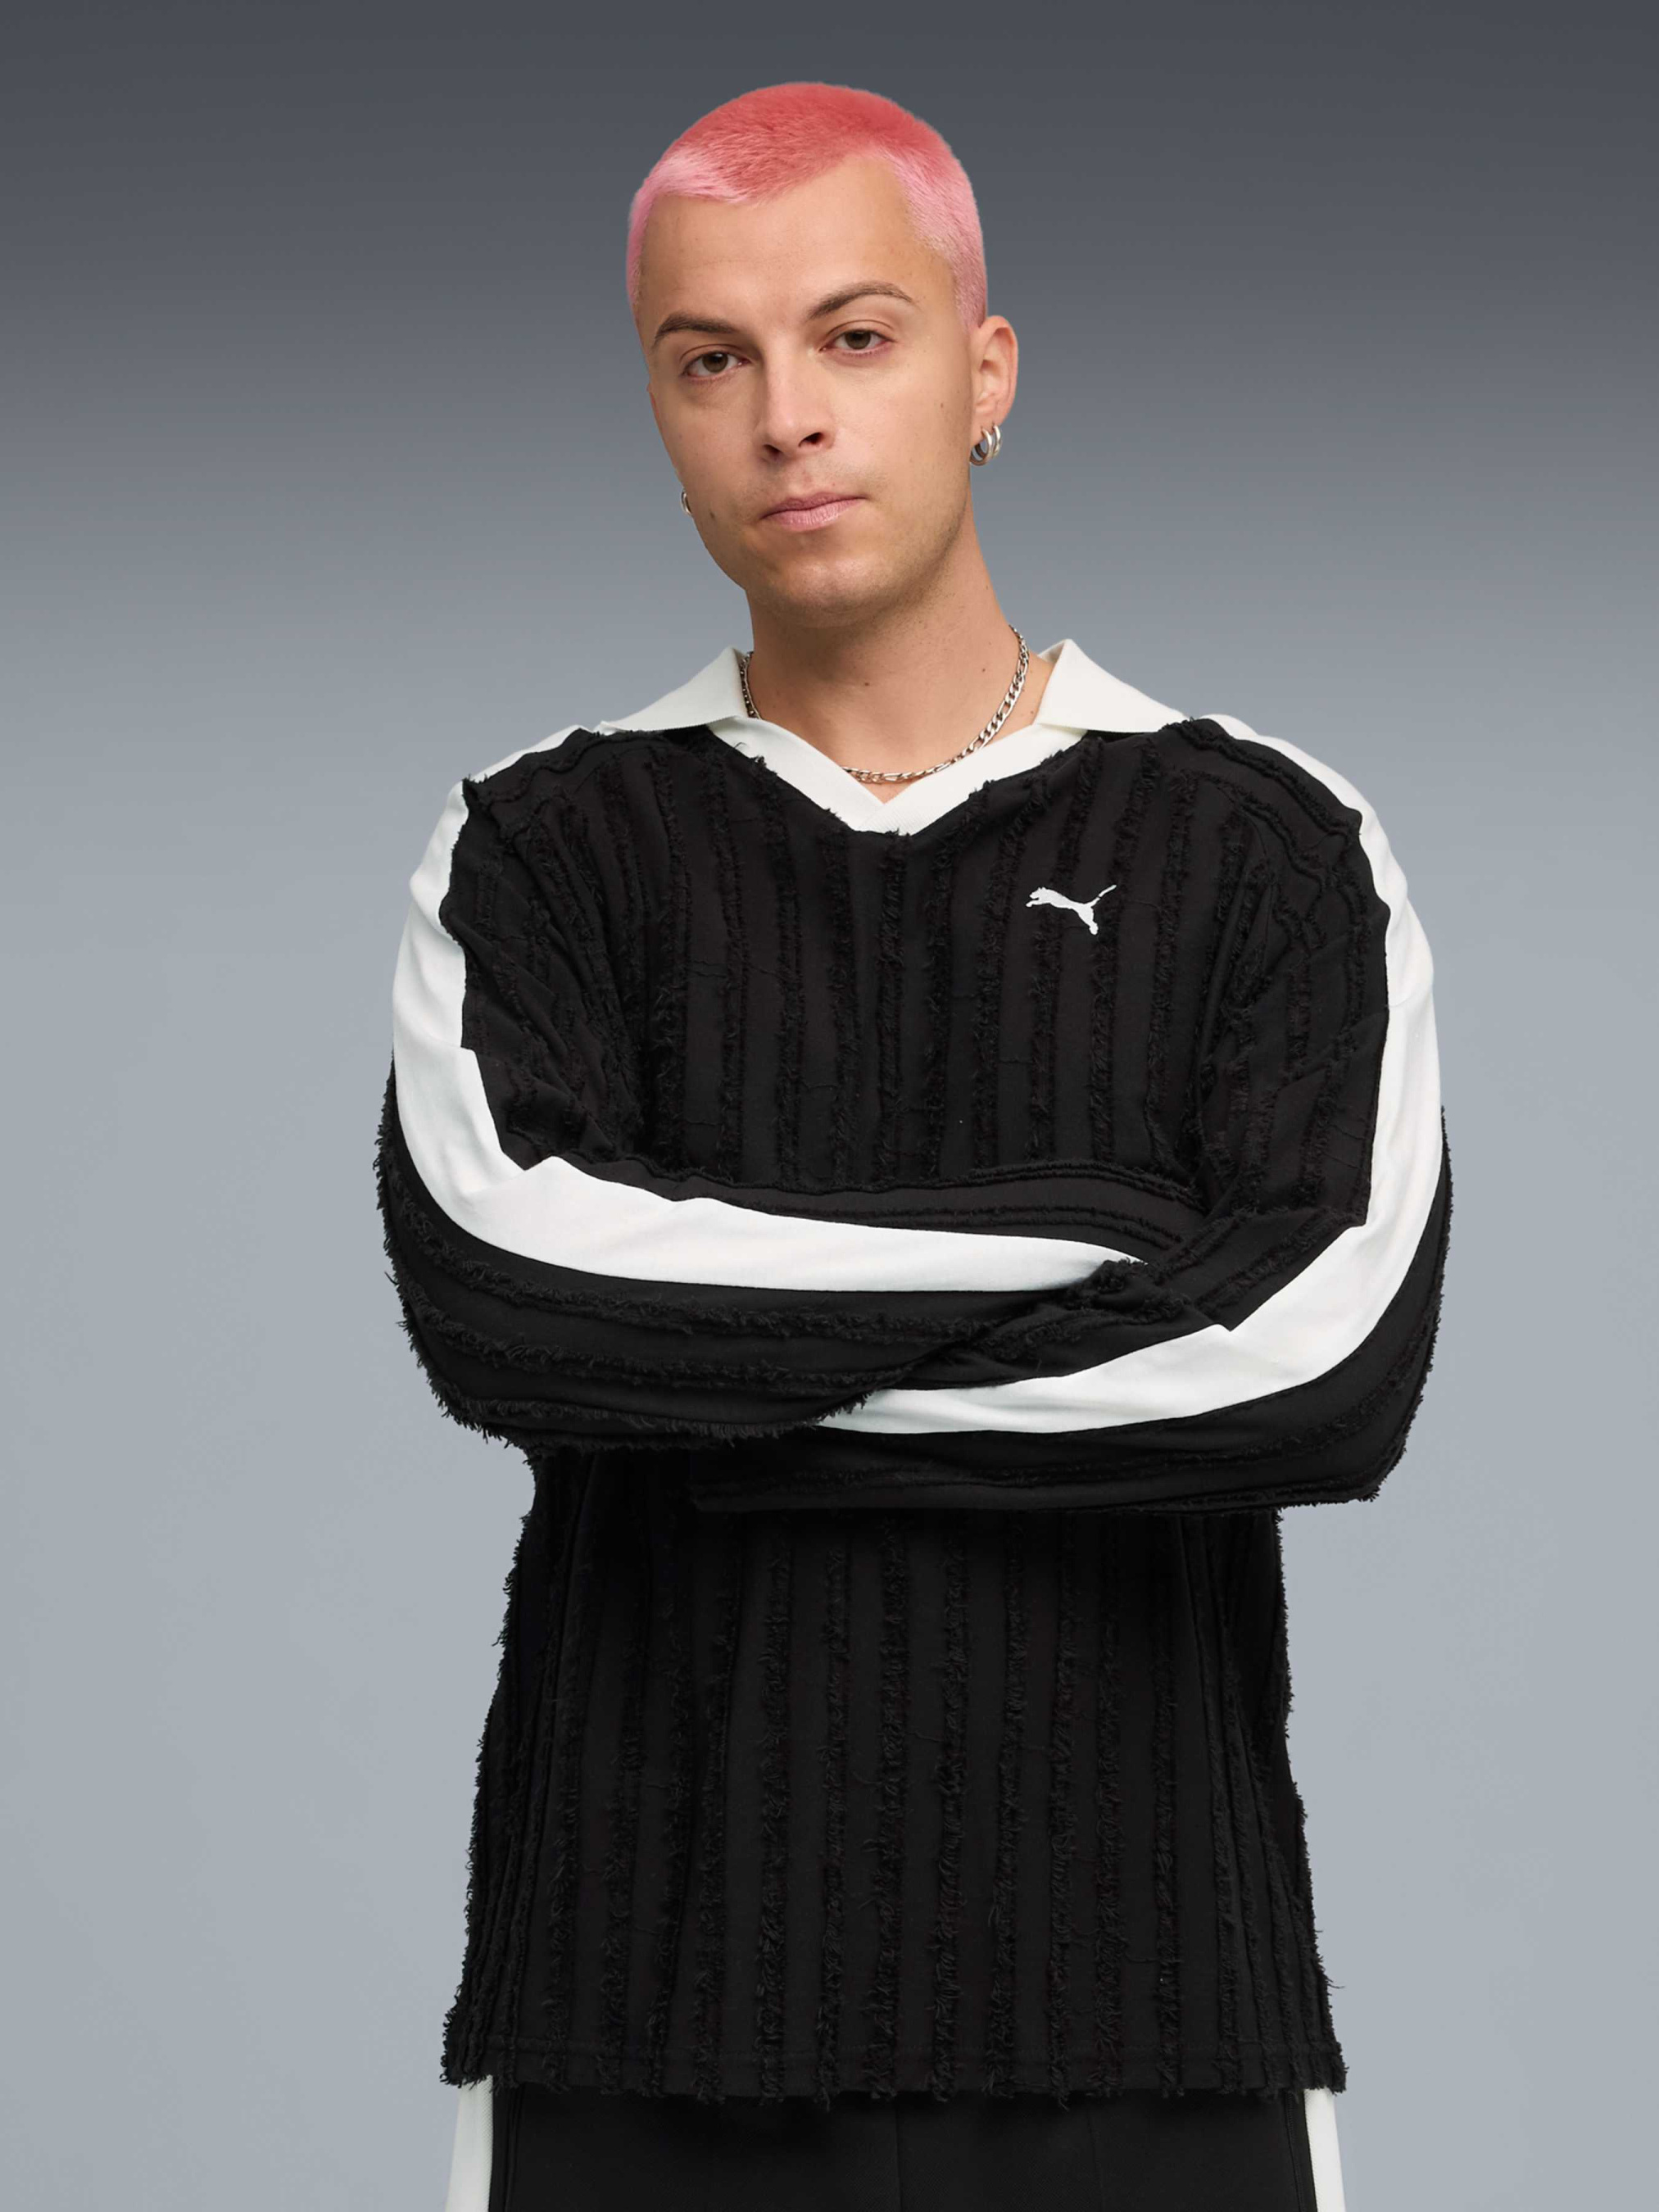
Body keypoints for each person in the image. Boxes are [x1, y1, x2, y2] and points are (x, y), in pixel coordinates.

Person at [375, 80, 1451, 2212]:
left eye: (853, 337)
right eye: (710, 359)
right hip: (633, 2011)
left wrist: (703, 1406)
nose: (785, 415)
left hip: (1151, 2015)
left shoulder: (1263, 840)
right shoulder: (544, 845)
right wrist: (1112, 1233)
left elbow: (1318, 1360)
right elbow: (512, 1302)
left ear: (986, 372)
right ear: (662, 410)